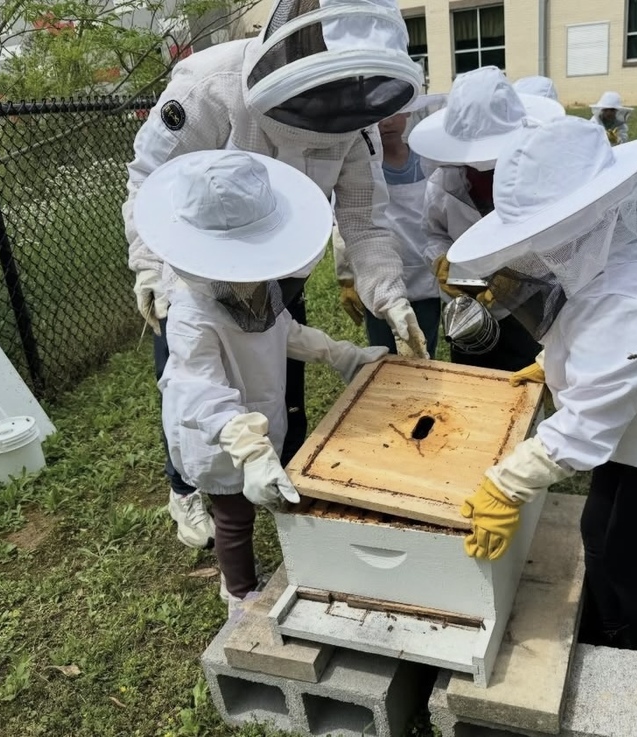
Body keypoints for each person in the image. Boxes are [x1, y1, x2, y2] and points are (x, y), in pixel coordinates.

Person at [445, 115, 637, 700]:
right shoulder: (609, 260)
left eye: (545, 238)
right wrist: (552, 365)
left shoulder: (629, 296)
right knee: (596, 528)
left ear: (583, 222)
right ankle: (607, 625)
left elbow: (589, 424)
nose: (535, 256)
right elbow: (585, 335)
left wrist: (506, 485)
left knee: (625, 562)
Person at [123, 0, 429, 549]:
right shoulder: (207, 88)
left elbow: (363, 216)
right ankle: (186, 487)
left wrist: (389, 297)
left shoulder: (357, 118)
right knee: (194, 385)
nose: (332, 113)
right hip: (194, 278)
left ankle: (282, 472)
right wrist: (152, 270)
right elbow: (149, 179)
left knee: (278, 380)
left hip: (281, 270)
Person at [134, 150, 387, 615]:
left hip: (257, 414)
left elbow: (283, 330)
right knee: (233, 517)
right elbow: (198, 390)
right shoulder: (190, 314)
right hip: (219, 435)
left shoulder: (259, 287)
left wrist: (342, 355)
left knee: (256, 503)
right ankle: (239, 595)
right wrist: (248, 449)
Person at [408, 66, 565, 370]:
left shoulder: (542, 179)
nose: (483, 170)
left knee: (528, 386)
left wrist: (519, 277)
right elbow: (433, 233)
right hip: (467, 311)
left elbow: (563, 241)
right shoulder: (442, 184)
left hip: (532, 312)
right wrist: (441, 259)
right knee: (472, 385)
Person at [335, 94, 448, 358]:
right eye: (378, 115)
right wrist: (347, 278)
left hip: (426, 275)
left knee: (423, 347)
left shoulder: (427, 161)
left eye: (394, 112)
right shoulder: (360, 167)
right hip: (377, 275)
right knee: (384, 353)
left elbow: (440, 214)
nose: (386, 122)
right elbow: (348, 223)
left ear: (408, 113)